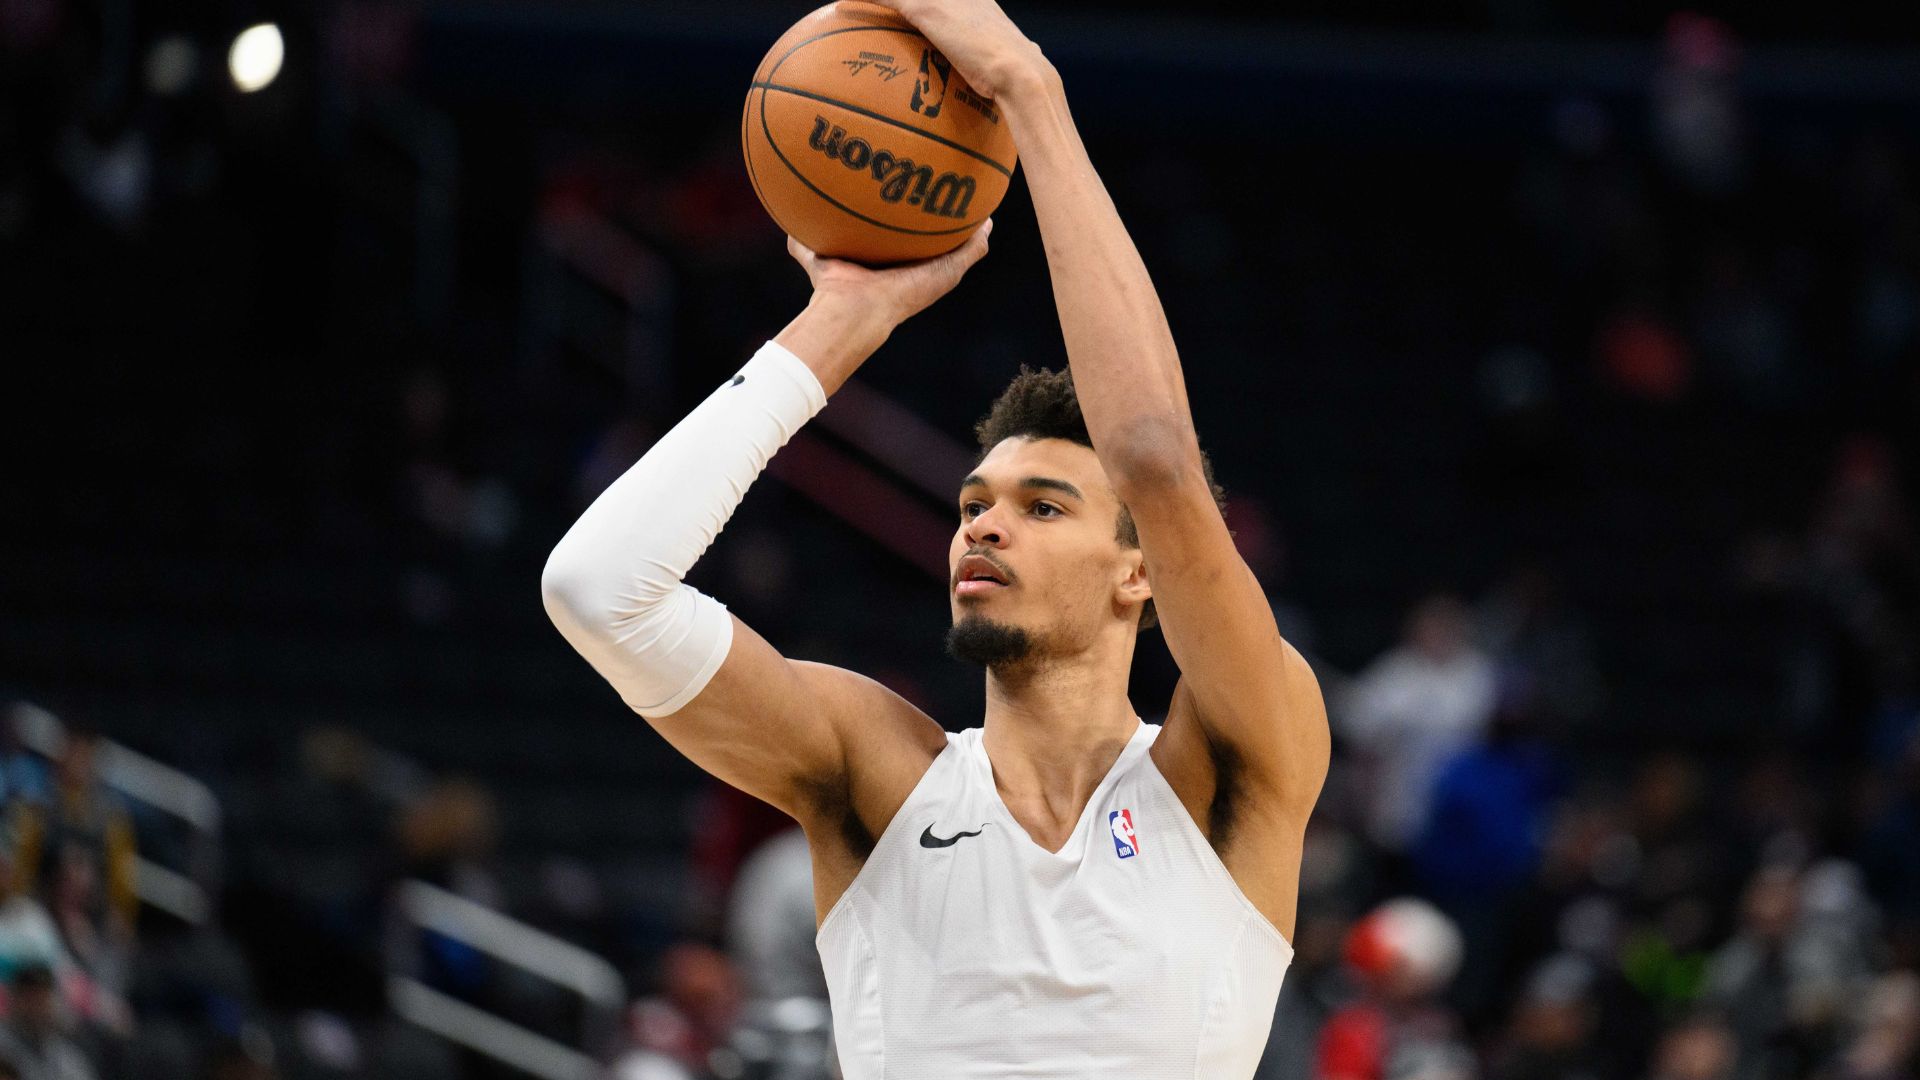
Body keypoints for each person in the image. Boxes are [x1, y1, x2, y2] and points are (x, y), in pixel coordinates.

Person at [540, 1, 1330, 1074]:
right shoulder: (882, 777)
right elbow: (598, 588)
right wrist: (844, 317)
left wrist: (1029, 92)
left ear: (1138, 571)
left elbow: (1150, 454)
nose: (987, 524)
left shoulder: (1228, 766)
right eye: (973, 504)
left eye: (1043, 507)